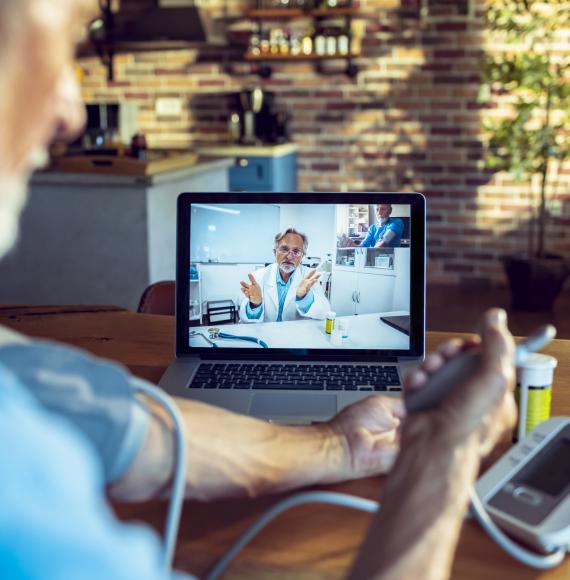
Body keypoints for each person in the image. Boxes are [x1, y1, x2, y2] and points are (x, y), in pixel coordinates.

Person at [0, 2, 517, 579]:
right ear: (277, 251)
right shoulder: (20, 480)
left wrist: (340, 445)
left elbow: (131, 426)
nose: (72, 111)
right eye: (66, 37)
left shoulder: (13, 371)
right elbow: (255, 317)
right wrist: (442, 454)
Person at [239, 227, 330, 323]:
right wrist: (255, 305)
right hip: (265, 334)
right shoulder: (258, 277)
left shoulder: (310, 277)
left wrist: (304, 298)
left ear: (302, 256)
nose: (290, 256)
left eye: (296, 251)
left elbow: (324, 312)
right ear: (275, 252)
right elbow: (245, 321)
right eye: (284, 249)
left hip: (296, 335)